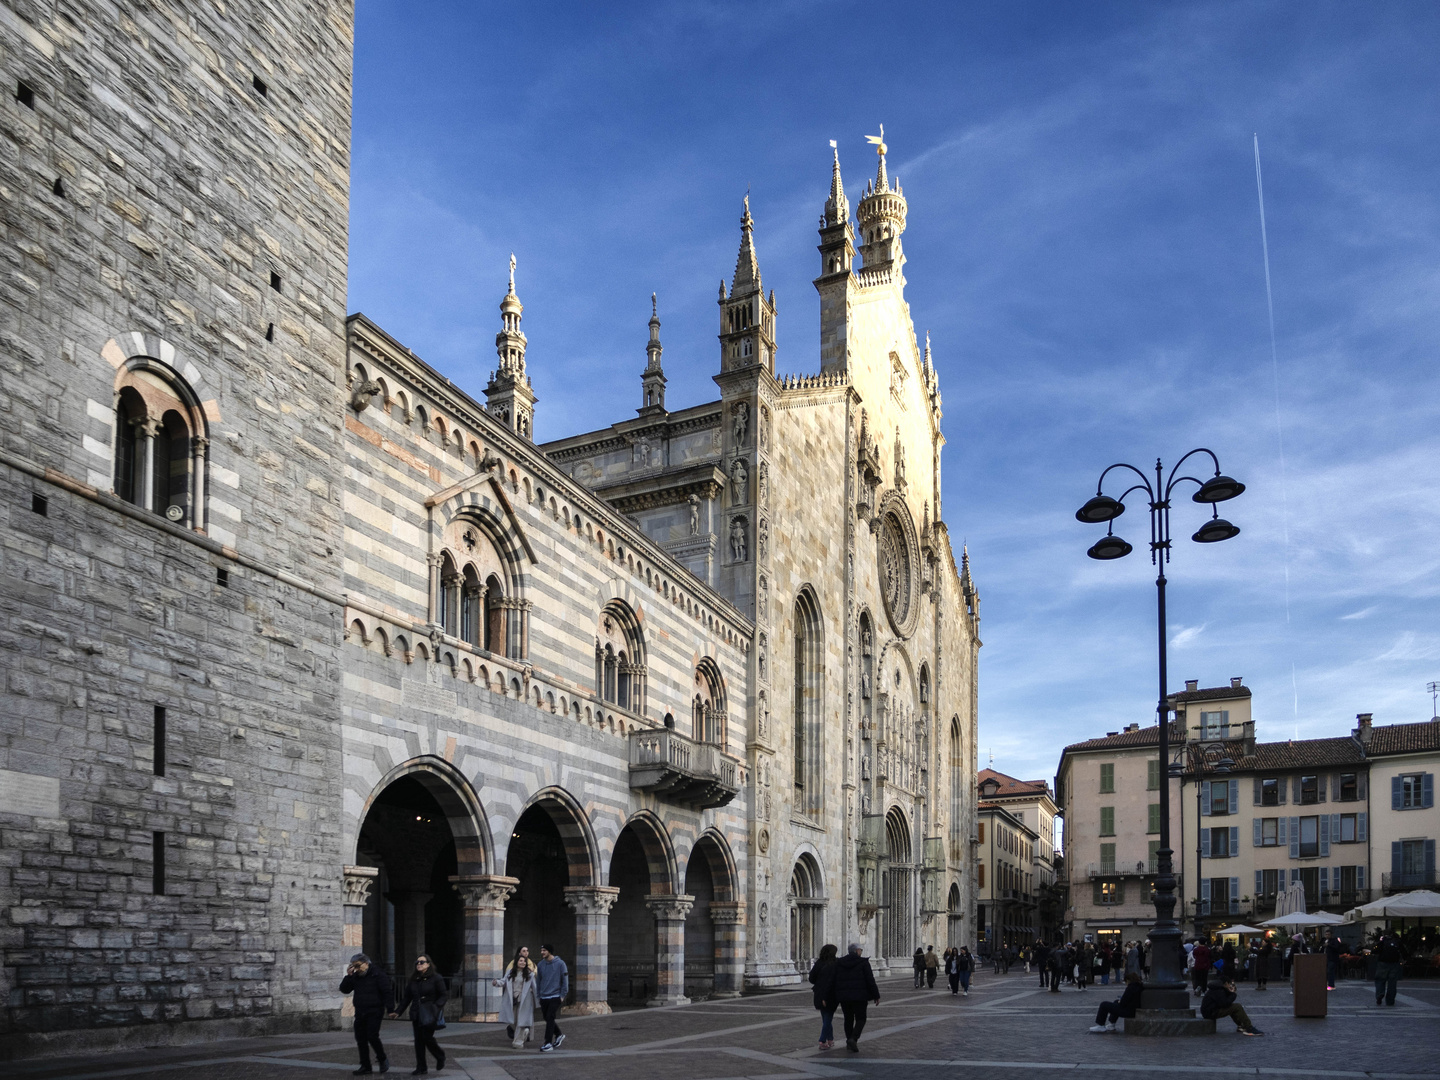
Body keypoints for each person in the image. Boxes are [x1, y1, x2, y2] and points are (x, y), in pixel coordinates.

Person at [389, 953, 447, 1075]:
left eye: (421, 962)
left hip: (430, 1013)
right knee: (418, 1041)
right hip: (416, 1013)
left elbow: (443, 995)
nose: (418, 964)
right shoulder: (414, 980)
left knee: (427, 1038)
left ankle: (440, 1056)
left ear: (428, 964)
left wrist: (436, 1007)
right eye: (417, 963)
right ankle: (421, 1067)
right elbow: (406, 998)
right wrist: (398, 1012)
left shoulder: (436, 978)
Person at [340, 952, 394, 1075]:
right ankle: (365, 1066)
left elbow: (387, 992)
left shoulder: (378, 974)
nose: (356, 969)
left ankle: (382, 1058)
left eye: (358, 966)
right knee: (360, 1038)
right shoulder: (355, 976)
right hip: (360, 1011)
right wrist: (348, 976)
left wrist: (390, 1009)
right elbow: (344, 989)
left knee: (372, 1036)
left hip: (375, 1010)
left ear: (366, 963)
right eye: (354, 966)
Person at [832, 942, 881, 1053]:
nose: (861, 952)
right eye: (861, 950)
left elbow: (834, 979)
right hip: (860, 996)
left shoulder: (840, 962)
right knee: (861, 1018)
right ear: (857, 951)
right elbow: (870, 980)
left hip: (845, 997)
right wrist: (876, 995)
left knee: (848, 1019)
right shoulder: (863, 963)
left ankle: (849, 1040)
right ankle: (853, 1038)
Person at [494, 952, 537, 1049]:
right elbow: (504, 981)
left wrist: (538, 1000)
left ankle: (518, 1041)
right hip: (512, 999)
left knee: (521, 1020)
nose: (523, 963)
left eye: (524, 961)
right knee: (512, 1020)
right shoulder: (510, 972)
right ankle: (525, 1032)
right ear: (516, 962)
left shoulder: (529, 974)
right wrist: (496, 982)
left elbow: (535, 987)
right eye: (521, 961)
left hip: (525, 1000)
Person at [535, 943, 569, 1051]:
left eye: (544, 950)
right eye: (541, 950)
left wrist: (562, 995)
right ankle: (558, 1034)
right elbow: (538, 981)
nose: (542, 952)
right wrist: (539, 995)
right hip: (544, 997)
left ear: (549, 951)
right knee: (547, 1018)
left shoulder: (560, 964)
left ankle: (548, 1043)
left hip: (555, 996)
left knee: (550, 1017)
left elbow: (565, 980)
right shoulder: (540, 965)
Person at [809, 943, 839, 1050]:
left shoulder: (819, 963)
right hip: (831, 995)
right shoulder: (836, 963)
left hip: (819, 993)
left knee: (826, 1018)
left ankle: (830, 1039)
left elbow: (811, 978)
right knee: (828, 1018)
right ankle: (822, 1041)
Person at [1374, 931, 1404, 1007]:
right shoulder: (1397, 942)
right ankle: (1390, 1000)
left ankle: (1380, 994)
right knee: (1392, 983)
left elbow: (1375, 951)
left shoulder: (1383, 942)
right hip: (1394, 964)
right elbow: (1404, 951)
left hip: (1382, 963)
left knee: (1380, 980)